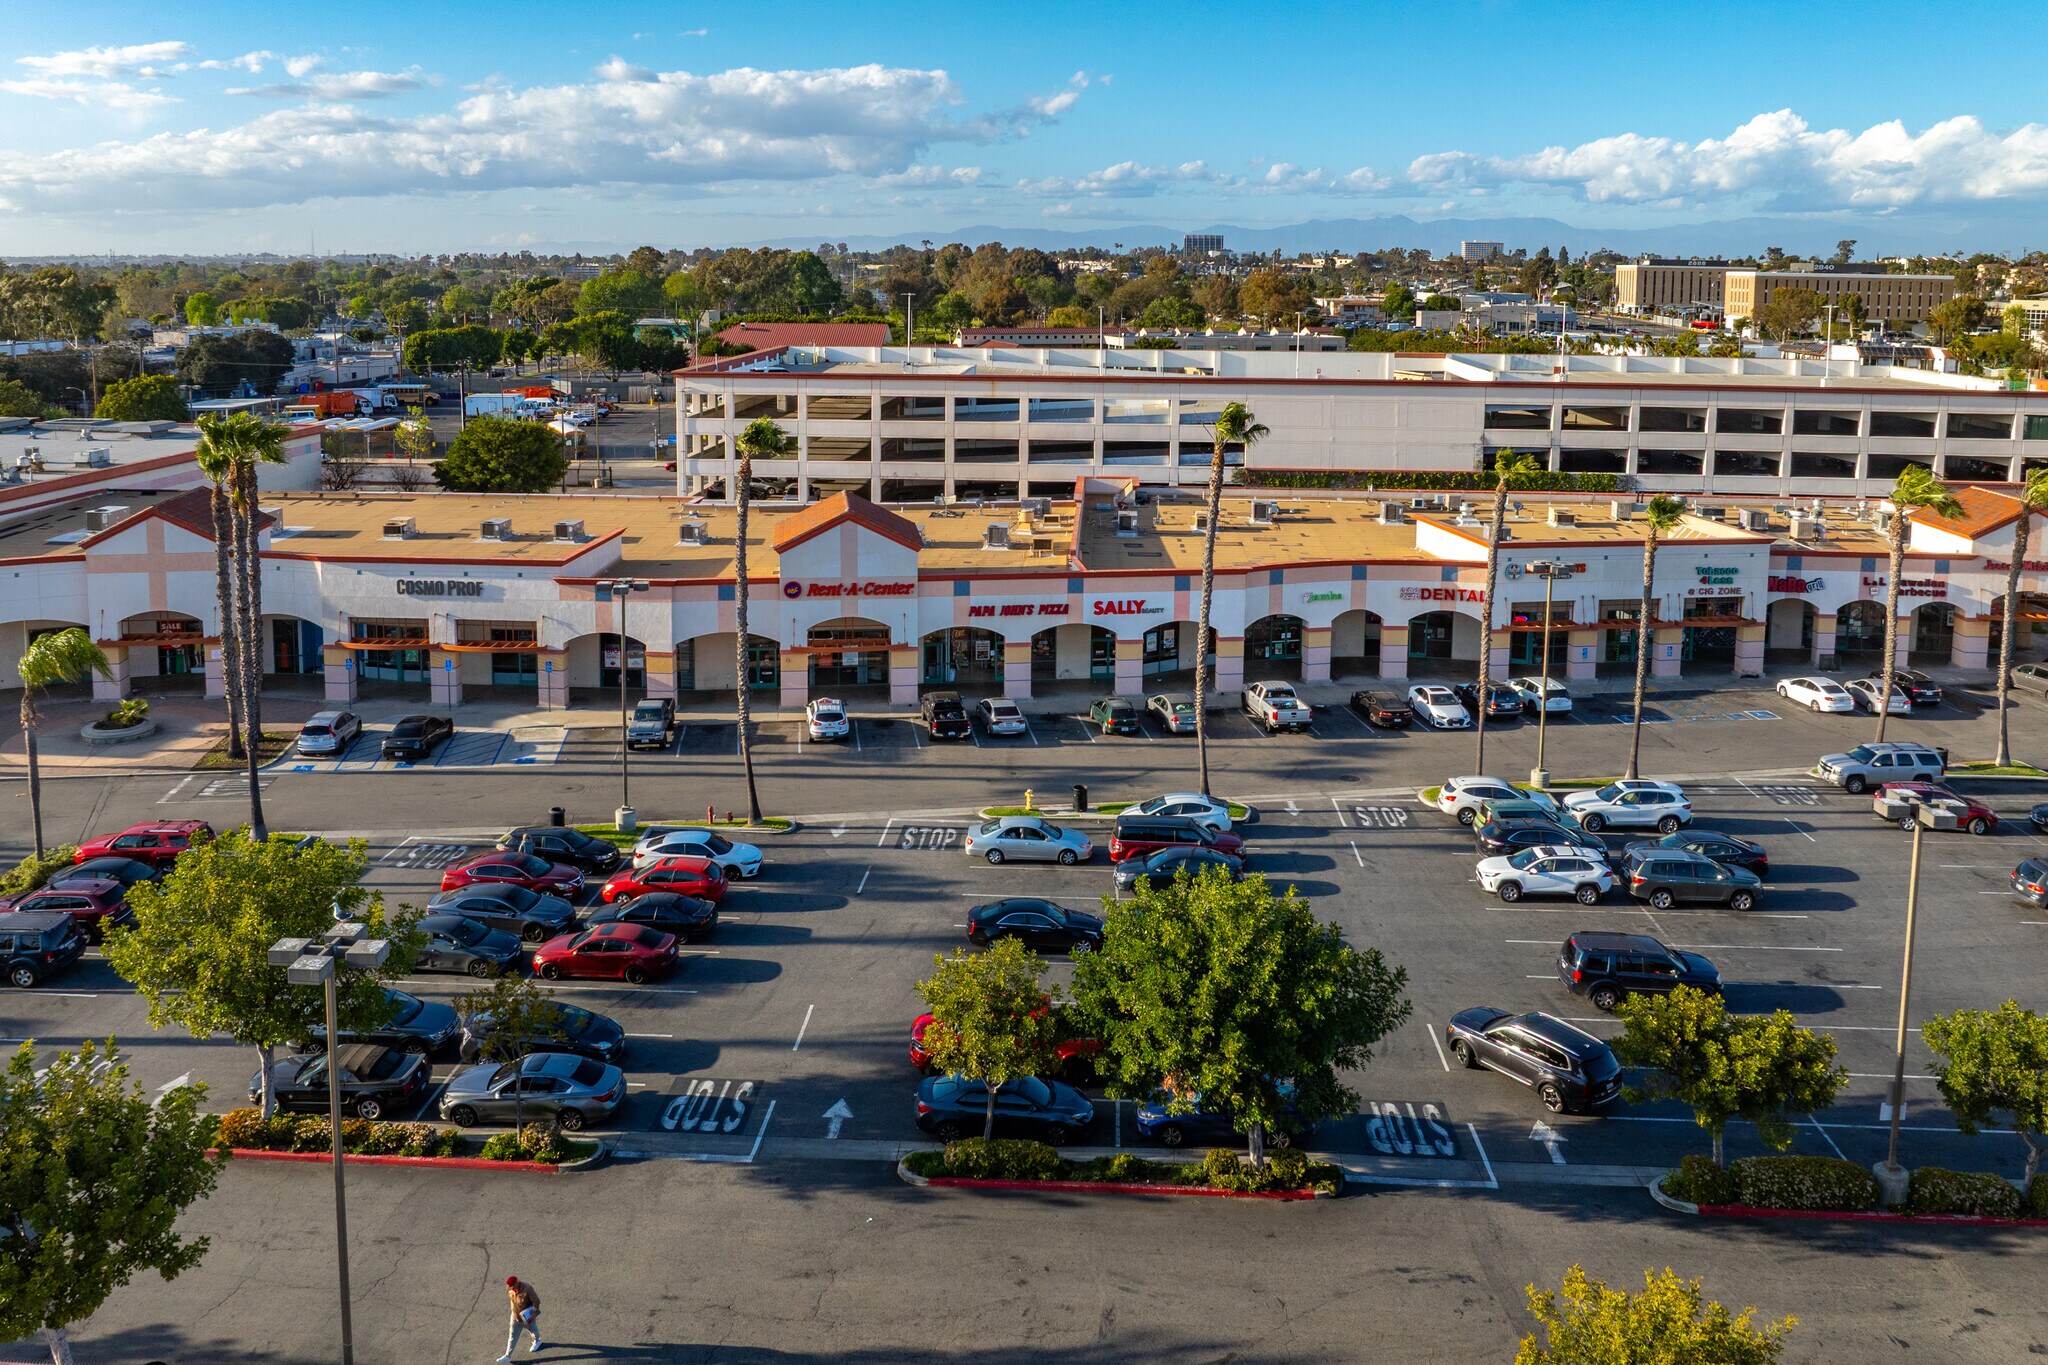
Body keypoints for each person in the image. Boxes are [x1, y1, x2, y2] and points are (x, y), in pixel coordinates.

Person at [499, 1274, 543, 1359]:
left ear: (516, 1283)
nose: (509, 1288)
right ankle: (507, 1356)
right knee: (512, 1336)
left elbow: (536, 1301)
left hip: (527, 1318)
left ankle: (537, 1341)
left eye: (511, 1286)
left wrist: (533, 1315)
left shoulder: (527, 1288)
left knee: (534, 1333)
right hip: (515, 1317)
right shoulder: (510, 1289)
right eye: (508, 1286)